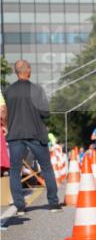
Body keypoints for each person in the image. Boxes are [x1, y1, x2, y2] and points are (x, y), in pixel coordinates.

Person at [4, 60, 62, 213]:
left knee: (15, 171)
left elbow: (5, 112)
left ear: (16, 72)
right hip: (36, 133)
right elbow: (45, 113)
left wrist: (6, 126)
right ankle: (53, 204)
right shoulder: (36, 90)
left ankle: (20, 206)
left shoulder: (8, 91)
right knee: (47, 168)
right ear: (28, 70)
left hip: (15, 134)